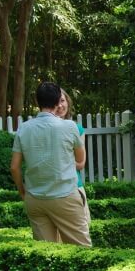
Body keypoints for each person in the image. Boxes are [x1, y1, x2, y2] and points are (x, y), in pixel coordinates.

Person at [10, 81, 91, 246]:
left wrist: (23, 192)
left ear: (37, 102)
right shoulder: (69, 126)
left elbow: (14, 167)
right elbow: (81, 160)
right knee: (82, 251)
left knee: (46, 253)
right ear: (57, 102)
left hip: (35, 198)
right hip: (65, 195)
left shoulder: (24, 128)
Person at [57, 88, 90, 226]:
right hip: (53, 189)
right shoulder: (45, 129)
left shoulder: (77, 128)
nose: (60, 106)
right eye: (56, 102)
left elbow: (81, 164)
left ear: (68, 102)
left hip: (75, 185)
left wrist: (59, 162)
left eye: (63, 101)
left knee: (83, 228)